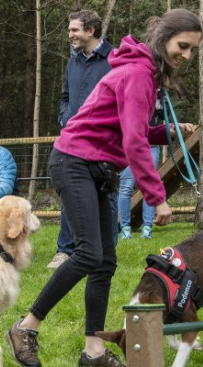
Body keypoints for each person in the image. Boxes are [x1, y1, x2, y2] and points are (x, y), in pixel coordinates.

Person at [7, 9, 201, 367]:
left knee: (104, 261)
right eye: (183, 46)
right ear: (163, 40)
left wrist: (167, 131)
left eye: (192, 50)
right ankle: (26, 326)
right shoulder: (139, 74)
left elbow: (131, 130)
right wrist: (157, 198)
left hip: (96, 166)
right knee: (87, 254)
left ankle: (93, 351)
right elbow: (133, 143)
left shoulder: (143, 73)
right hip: (74, 161)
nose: (187, 56)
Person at [48, 9, 115, 269]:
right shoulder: (72, 61)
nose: (70, 35)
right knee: (72, 193)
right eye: (70, 30)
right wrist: (65, 119)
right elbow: (65, 96)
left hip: (103, 142)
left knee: (105, 193)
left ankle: (107, 251)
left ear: (91, 30)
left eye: (75, 30)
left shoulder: (114, 58)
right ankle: (64, 251)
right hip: (73, 141)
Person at [118, 93, 162, 240]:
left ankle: (147, 227)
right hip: (131, 142)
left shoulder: (155, 92)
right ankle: (125, 228)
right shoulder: (130, 88)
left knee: (148, 186)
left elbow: (163, 113)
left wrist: (161, 99)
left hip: (152, 143)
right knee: (126, 186)